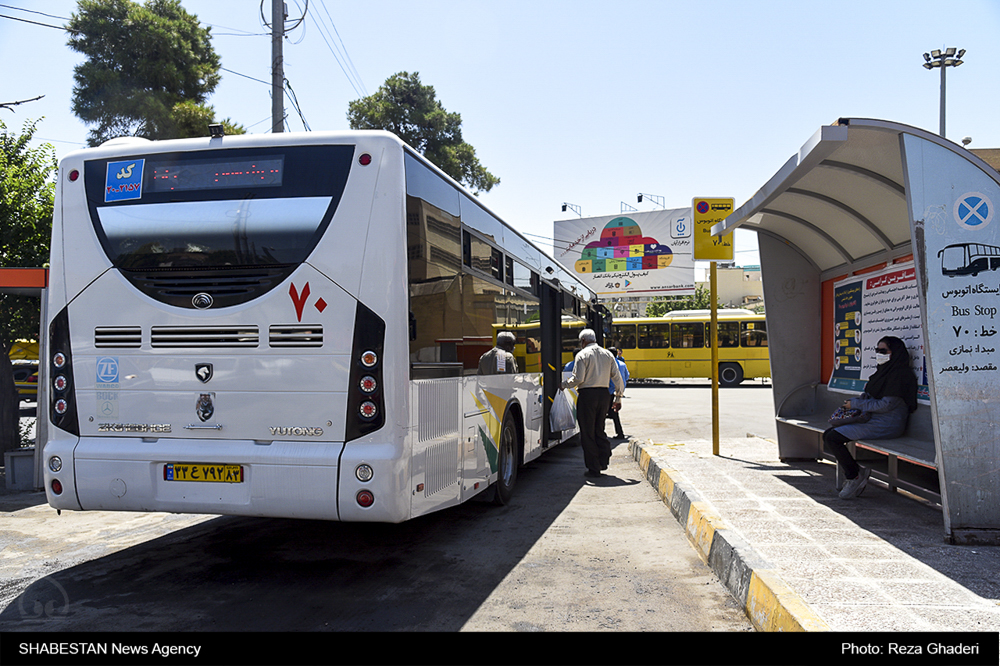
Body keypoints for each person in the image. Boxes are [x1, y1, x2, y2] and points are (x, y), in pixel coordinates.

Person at [823, 336, 918, 499]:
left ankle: (855, 476)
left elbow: (886, 405)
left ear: (895, 353)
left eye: (883, 351)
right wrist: (860, 401)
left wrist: (855, 405)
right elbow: (873, 396)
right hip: (873, 420)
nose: (879, 354)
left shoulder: (900, 375)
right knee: (830, 434)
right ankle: (856, 473)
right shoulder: (883, 372)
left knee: (832, 437)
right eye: (877, 350)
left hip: (888, 424)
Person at [562, 329, 625, 478]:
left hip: (588, 395)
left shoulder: (582, 355)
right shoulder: (608, 354)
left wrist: (564, 384)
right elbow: (617, 378)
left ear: (583, 341)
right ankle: (604, 458)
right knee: (599, 429)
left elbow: (578, 379)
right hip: (604, 395)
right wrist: (618, 398)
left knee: (587, 432)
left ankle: (594, 468)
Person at [606, 347, 629, 439]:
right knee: (615, 413)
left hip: (609, 392)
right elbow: (627, 376)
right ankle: (620, 433)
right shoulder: (622, 364)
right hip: (619, 392)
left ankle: (601, 433)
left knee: (603, 413)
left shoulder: (608, 365)